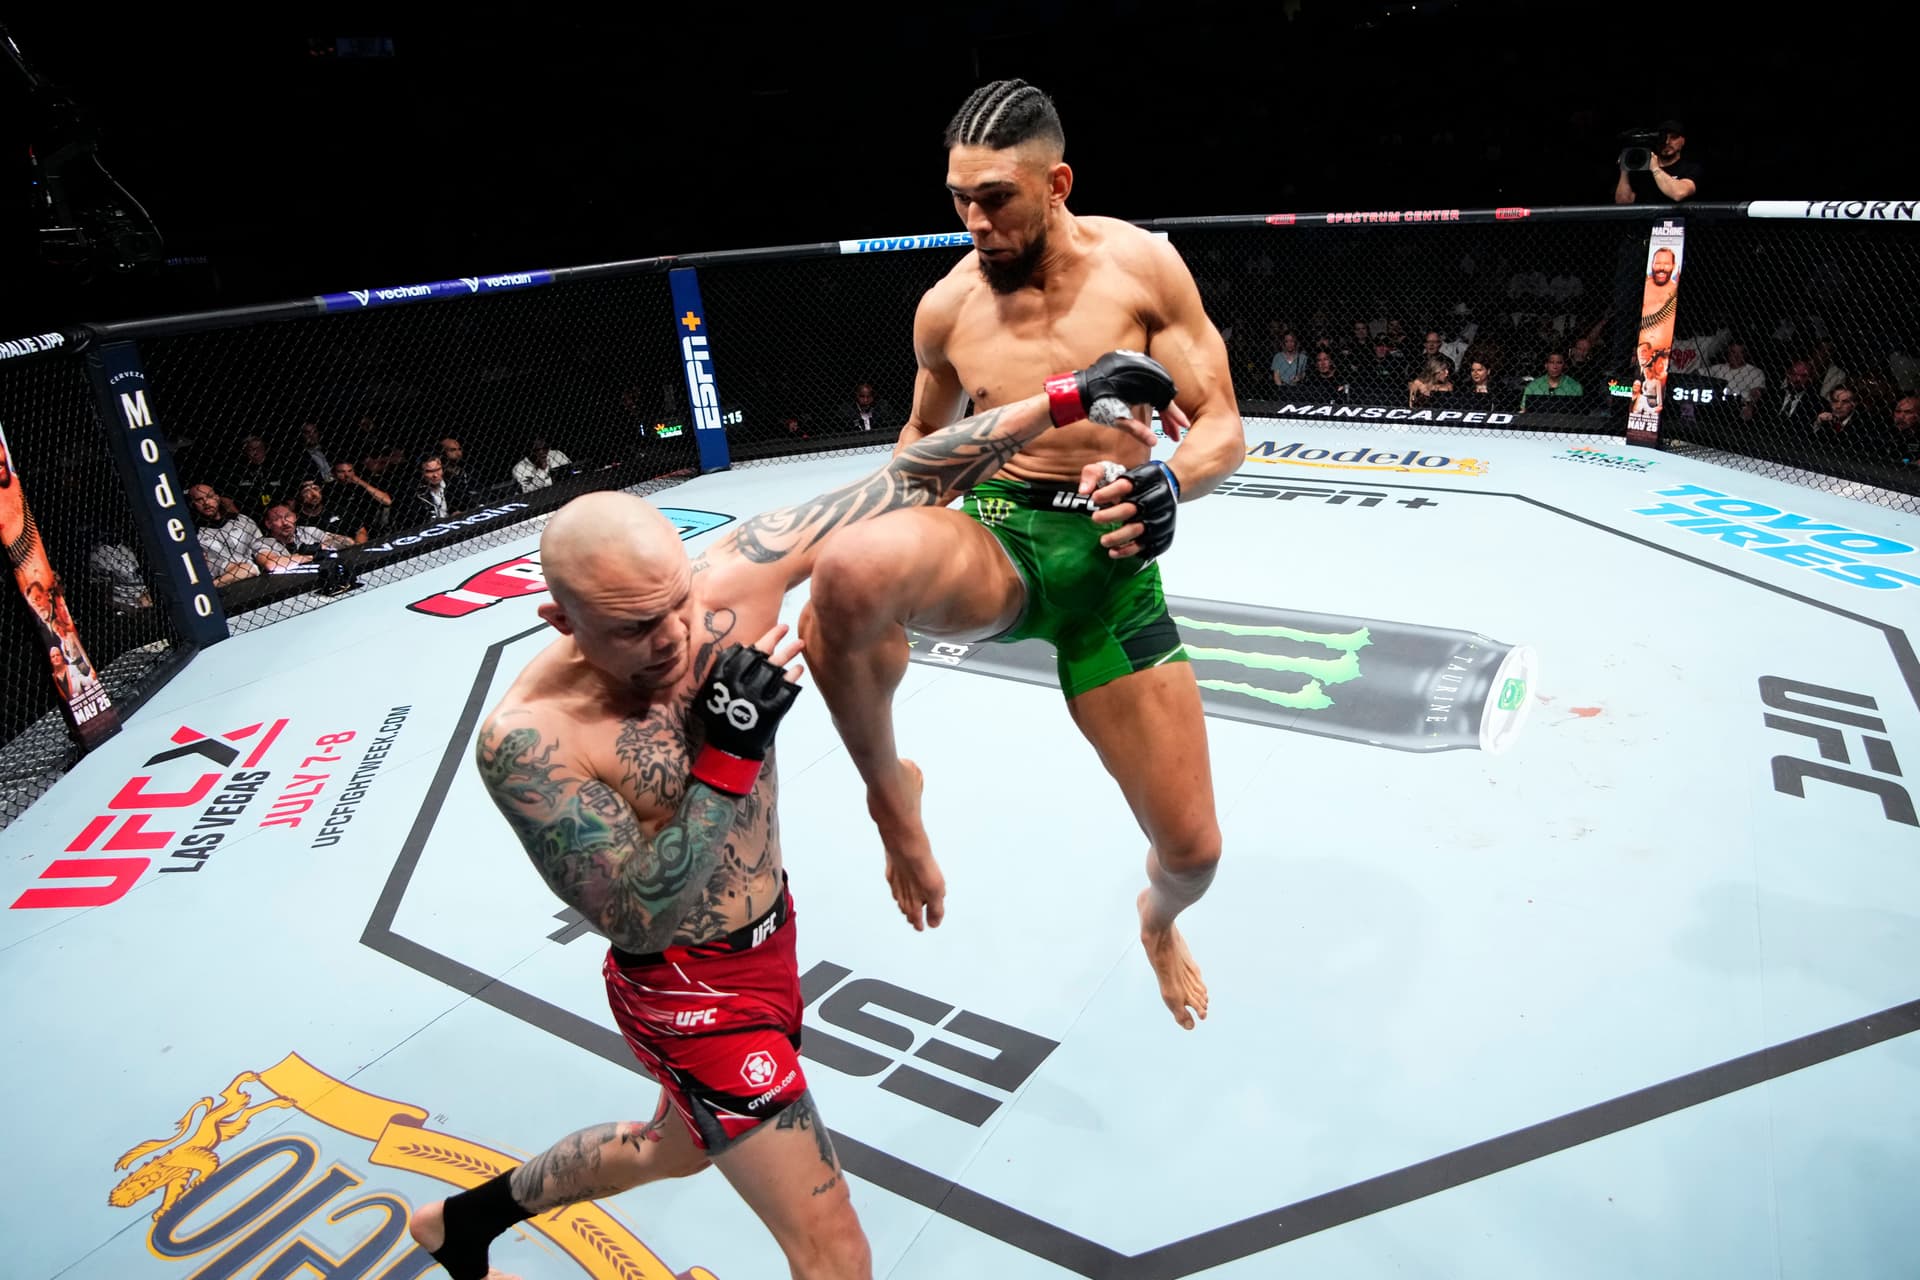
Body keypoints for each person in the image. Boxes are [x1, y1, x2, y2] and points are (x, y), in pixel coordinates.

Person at [407, 353, 1176, 1280]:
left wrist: (1064, 397)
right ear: (558, 619)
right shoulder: (531, 740)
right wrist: (728, 757)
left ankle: (462, 1223)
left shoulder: (730, 580)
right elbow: (634, 918)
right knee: (834, 1250)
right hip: (685, 987)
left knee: (674, 1147)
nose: (669, 642)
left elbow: (906, 478)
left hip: (770, 941)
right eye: (630, 629)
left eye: (674, 610)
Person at [796, 79, 1244, 1031]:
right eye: (959, 198)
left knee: (1194, 855)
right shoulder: (946, 306)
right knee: (854, 572)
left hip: (1111, 565)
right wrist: (865, 561)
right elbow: (920, 451)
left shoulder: (1143, 269)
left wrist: (1170, 483)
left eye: (994, 196)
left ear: (1057, 184)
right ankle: (891, 794)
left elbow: (1221, 427)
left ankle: (1157, 926)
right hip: (996, 532)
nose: (974, 221)